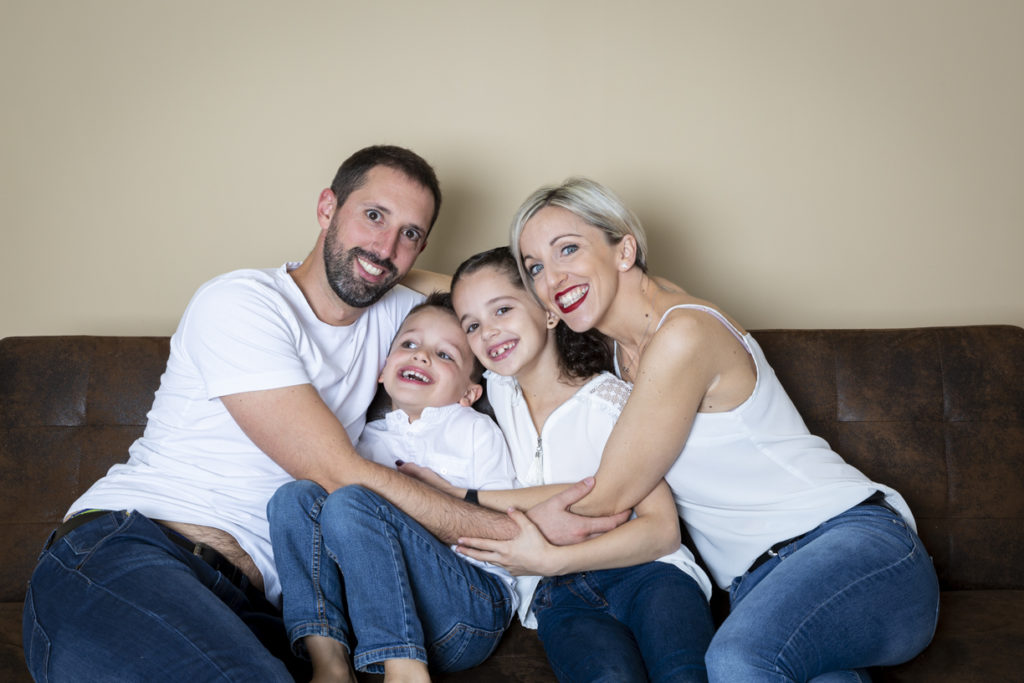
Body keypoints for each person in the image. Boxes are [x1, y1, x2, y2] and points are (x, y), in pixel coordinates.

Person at [23, 145, 623, 681]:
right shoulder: (243, 304)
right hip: (135, 551)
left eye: (411, 234)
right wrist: (524, 532)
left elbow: (487, 291)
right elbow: (339, 473)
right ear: (326, 208)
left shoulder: (397, 320)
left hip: (255, 605)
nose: (387, 248)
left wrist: (632, 298)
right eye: (373, 216)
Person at [465, 177, 940, 682]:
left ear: (624, 249)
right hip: (764, 588)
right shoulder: (615, 347)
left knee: (737, 661)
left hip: (853, 550)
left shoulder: (682, 334)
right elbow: (475, 292)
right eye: (536, 267)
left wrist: (467, 500)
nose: (553, 278)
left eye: (568, 250)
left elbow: (610, 496)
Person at [445, 247, 715, 682]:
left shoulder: (607, 403)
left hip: (646, 575)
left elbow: (662, 530)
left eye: (503, 310)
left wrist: (552, 559)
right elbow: (435, 297)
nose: (489, 332)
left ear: (550, 313)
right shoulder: (496, 389)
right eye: (472, 326)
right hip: (560, 597)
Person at [267, 293, 518, 682]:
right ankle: (329, 661)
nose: (421, 356)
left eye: (445, 354)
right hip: (369, 622)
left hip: (466, 610)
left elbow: (502, 526)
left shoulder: (475, 432)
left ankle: (407, 672)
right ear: (382, 371)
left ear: (470, 393)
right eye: (410, 344)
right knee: (293, 497)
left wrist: (432, 499)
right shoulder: (363, 441)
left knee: (351, 500)